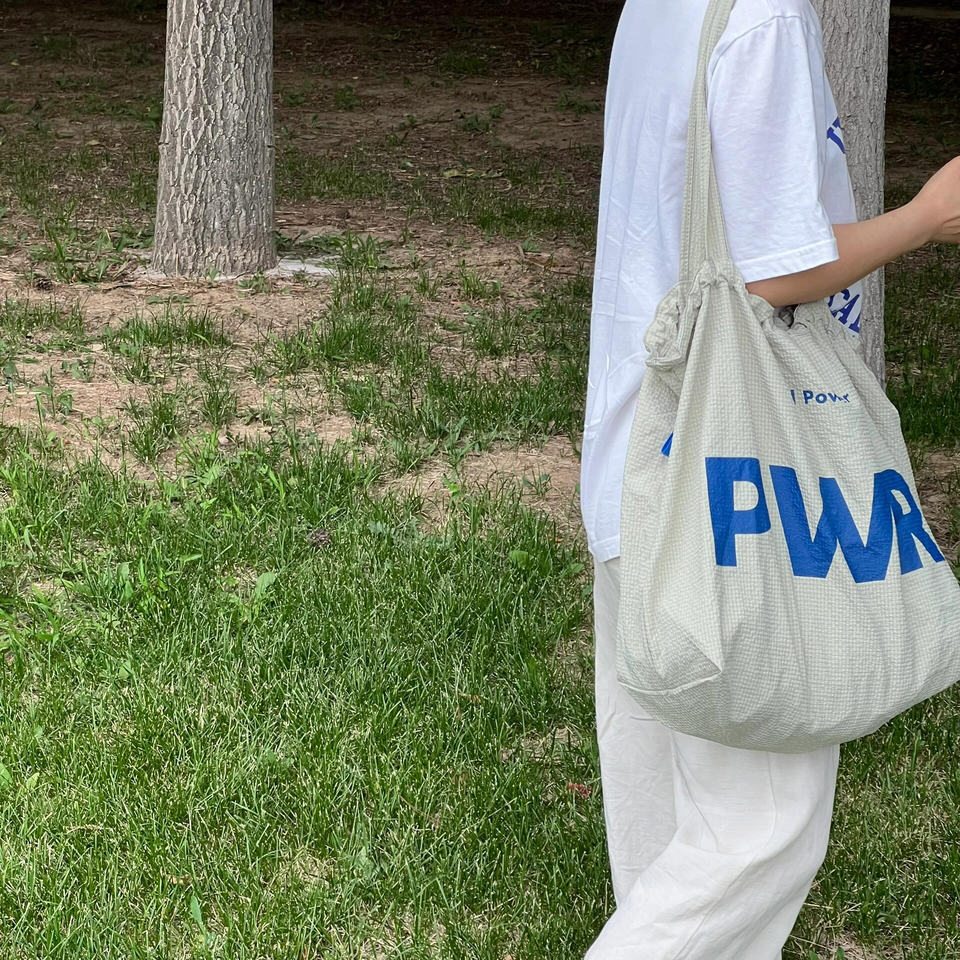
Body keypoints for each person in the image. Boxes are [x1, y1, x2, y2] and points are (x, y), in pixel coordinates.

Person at [581, 0, 960, 957]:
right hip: (729, 482)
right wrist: (926, 218)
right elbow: (775, 273)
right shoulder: (765, 19)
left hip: (641, 452)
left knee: (664, 816)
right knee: (760, 826)